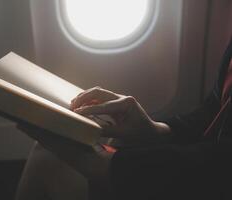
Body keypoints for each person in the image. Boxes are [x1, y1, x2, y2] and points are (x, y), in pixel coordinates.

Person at [16, 39, 232, 200]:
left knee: (51, 160)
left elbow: (220, 166)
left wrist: (105, 166)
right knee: (46, 152)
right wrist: (158, 130)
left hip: (207, 180)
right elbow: (214, 108)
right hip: (199, 167)